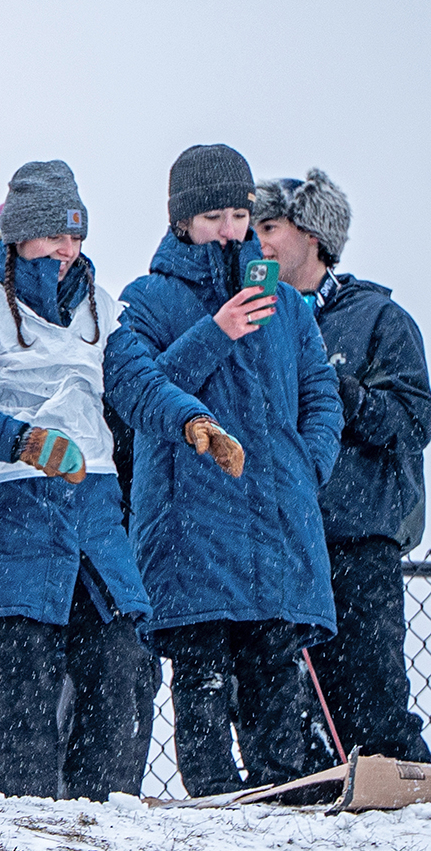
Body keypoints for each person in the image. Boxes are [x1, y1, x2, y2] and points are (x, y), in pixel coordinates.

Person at [104, 145, 343, 795]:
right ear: (183, 221)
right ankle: (213, 802)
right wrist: (218, 330)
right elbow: (131, 387)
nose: (231, 228)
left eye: (240, 213)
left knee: (275, 676)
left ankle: (283, 794)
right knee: (202, 679)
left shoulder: (289, 308)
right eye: (214, 215)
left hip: (275, 526)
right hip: (194, 529)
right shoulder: (149, 298)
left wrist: (305, 466)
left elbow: (321, 396)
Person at [0, 162, 153, 800]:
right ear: (19, 235)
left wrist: (191, 420)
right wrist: (20, 440)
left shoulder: (104, 309)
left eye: (77, 237)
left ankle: (98, 820)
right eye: (54, 236)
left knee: (117, 664)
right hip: (2, 516)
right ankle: (18, 837)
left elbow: (140, 384)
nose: (68, 250)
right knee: (27, 679)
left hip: (89, 519)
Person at [252, 169, 431, 763]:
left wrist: (341, 392)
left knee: (369, 699)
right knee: (273, 706)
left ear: (312, 233)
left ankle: (394, 796)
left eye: (269, 225)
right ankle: (292, 799)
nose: (256, 239)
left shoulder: (380, 319)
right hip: (274, 542)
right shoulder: (253, 317)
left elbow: (413, 423)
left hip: (354, 543)